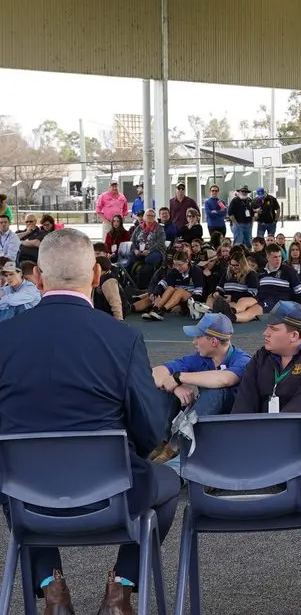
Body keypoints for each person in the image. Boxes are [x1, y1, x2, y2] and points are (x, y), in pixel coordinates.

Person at [0, 229, 179, 615]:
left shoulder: (4, 337)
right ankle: (121, 589)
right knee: (167, 482)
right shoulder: (122, 339)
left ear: (37, 278)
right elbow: (149, 432)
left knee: (14, 474)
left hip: (27, 497)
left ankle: (51, 589)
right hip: (111, 495)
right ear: (97, 276)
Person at [149, 313, 252, 466]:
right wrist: (174, 386)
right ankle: (162, 443)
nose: (194, 342)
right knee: (165, 388)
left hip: (230, 428)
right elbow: (155, 372)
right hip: (201, 420)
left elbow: (225, 379)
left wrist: (179, 377)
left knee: (216, 392)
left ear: (214, 341)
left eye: (198, 337)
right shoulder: (202, 358)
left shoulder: (243, 359)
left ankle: (176, 447)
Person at [230, 301, 301, 421]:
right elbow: (244, 402)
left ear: (294, 336)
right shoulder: (262, 356)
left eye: (273, 329)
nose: (265, 333)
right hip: (267, 428)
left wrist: (265, 432)